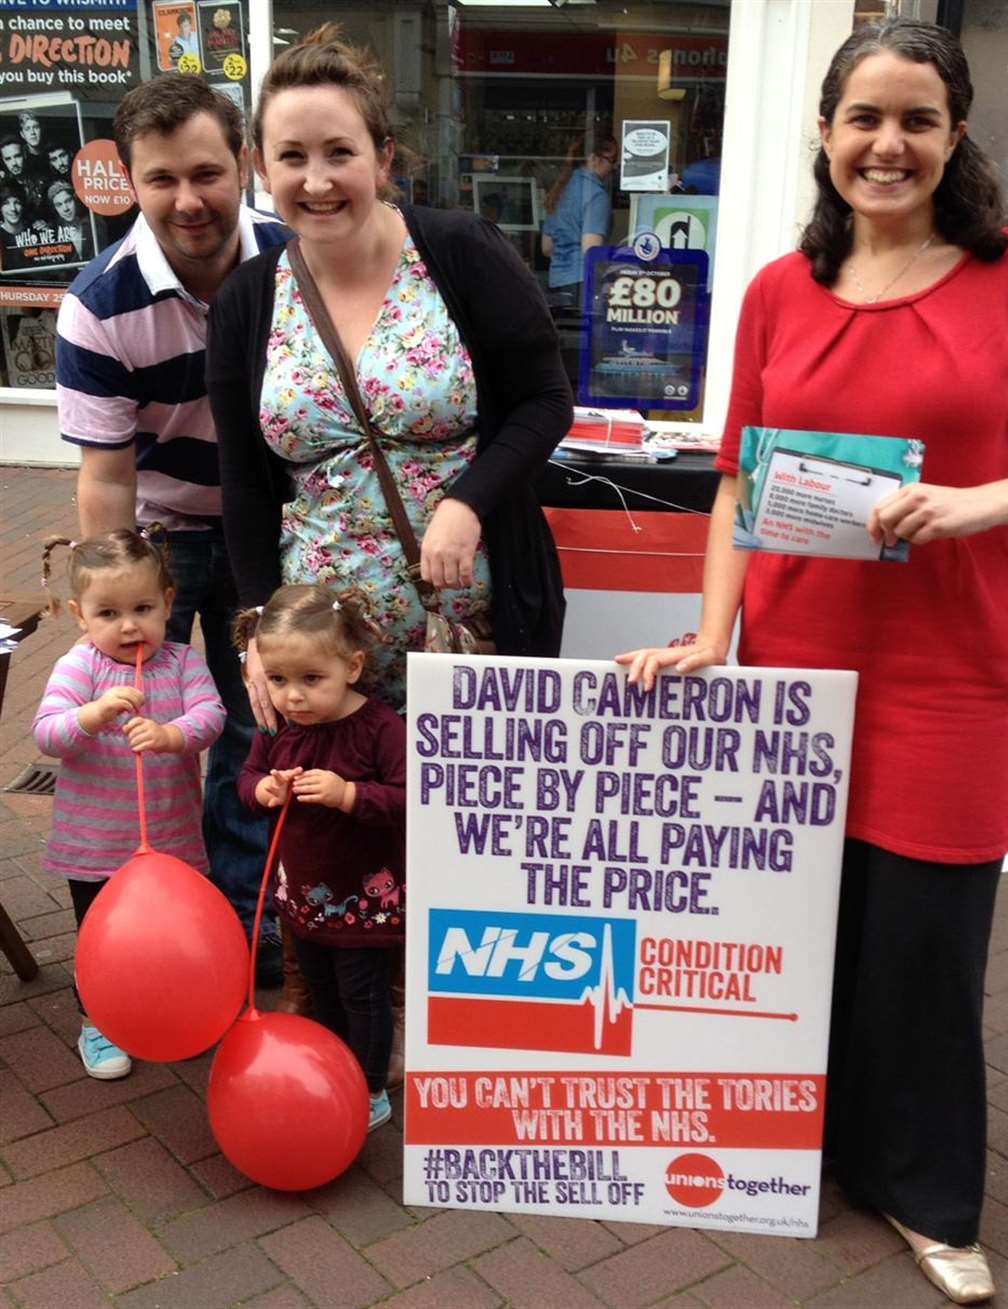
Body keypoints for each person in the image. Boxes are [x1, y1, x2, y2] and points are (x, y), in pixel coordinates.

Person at [618, 18, 1008, 1307]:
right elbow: (732, 484)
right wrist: (717, 632)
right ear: (824, 134)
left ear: (955, 135)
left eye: (917, 120)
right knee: (802, 930)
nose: (888, 144)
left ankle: (930, 1194)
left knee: (926, 945)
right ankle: (798, 1151)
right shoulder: (776, 289)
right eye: (864, 118)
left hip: (958, 675)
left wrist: (975, 504)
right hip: (799, 669)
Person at [207, 21, 569, 1061]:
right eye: (292, 157)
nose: (318, 180)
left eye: (339, 153)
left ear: (382, 158)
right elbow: (243, 479)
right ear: (257, 171)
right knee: (345, 829)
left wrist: (467, 498)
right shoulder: (247, 302)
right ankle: (356, 1041)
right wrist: (252, 639)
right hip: (331, 649)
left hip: (472, 615)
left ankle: (470, 1043)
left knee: (470, 820)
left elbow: (545, 400)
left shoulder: (456, 253)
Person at [54, 74, 291, 984]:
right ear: (131, 181)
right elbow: (106, 475)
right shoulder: (99, 304)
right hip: (164, 533)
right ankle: (143, 924)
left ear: (243, 163)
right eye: (161, 180)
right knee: (140, 726)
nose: (187, 201)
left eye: (206, 172)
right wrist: (109, 594)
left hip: (267, 529)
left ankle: (238, 919)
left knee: (249, 724)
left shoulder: (294, 256)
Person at [33, 529, 225, 1080]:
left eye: (143, 608)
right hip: (96, 845)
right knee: (101, 937)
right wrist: (92, 715)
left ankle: (170, 1011)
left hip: (171, 841)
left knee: (169, 935)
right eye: (108, 613)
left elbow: (211, 717)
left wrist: (171, 735)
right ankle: (100, 1020)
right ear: (79, 614)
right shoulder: (80, 667)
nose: (128, 626)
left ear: (168, 602)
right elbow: (47, 733)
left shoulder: (183, 662)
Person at [235, 584, 405, 1132]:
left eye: (311, 680)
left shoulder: (380, 728)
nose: (294, 698)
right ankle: (333, 1069)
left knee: (365, 996)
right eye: (279, 681)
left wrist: (348, 794)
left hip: (365, 902)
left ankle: (372, 1084)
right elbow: (247, 779)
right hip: (301, 898)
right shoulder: (280, 728)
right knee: (320, 989)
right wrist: (264, 792)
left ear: (352, 666)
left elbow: (412, 799)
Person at [541, 134, 617, 306]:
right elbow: (591, 250)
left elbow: (546, 247)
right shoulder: (596, 195)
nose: (613, 167)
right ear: (593, 159)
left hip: (557, 281)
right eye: (611, 160)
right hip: (582, 282)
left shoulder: (560, 188)